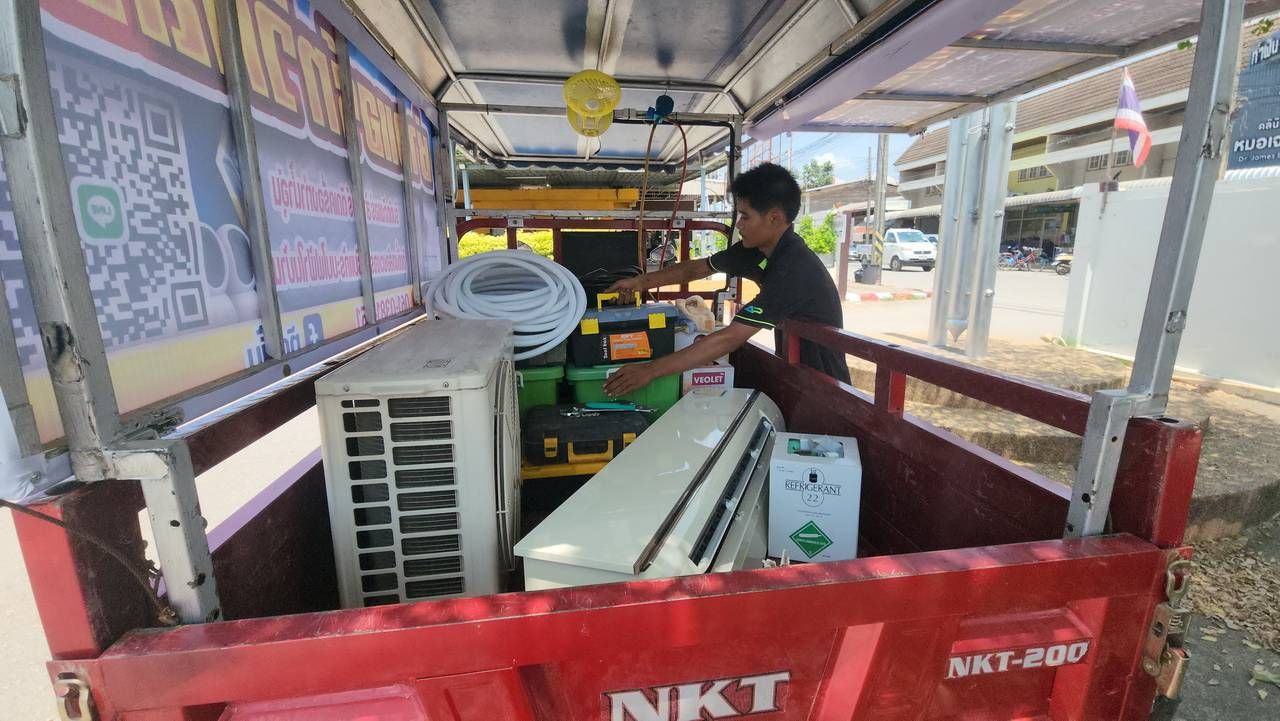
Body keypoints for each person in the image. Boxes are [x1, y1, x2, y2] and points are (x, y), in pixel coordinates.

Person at [602, 162, 851, 397]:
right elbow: (698, 269)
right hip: (796, 377)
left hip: (825, 390)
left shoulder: (794, 269)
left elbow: (730, 338)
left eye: (745, 216)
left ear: (774, 218)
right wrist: (640, 282)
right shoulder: (757, 250)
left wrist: (650, 370)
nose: (739, 225)